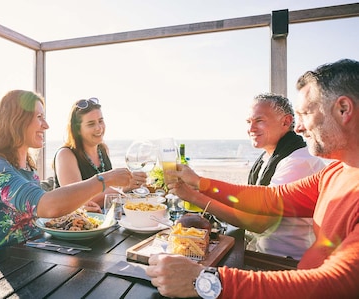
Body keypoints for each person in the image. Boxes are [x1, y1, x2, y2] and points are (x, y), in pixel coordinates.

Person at [146, 59, 359, 298]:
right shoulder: (335, 172)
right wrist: (199, 182)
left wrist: (206, 281)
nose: (298, 128)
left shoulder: (308, 163)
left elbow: (335, 284)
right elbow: (270, 197)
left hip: (288, 271)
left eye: (306, 113)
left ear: (343, 109)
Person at [0, 90, 131, 261]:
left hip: (31, 258)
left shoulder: (28, 170)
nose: (46, 125)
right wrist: (105, 179)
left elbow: (37, 215)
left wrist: (75, 210)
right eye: (39, 117)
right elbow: (46, 205)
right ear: (16, 121)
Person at [244, 93, 325, 260]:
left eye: (259, 121)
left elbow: (259, 222)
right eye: (249, 122)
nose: (251, 129)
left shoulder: (299, 161)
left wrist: (199, 194)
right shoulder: (268, 157)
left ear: (286, 122)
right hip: (261, 254)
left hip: (287, 264)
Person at [53, 97, 146, 211]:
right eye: (91, 124)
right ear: (77, 129)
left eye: (100, 121)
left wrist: (131, 181)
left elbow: (108, 191)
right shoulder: (65, 155)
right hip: (75, 225)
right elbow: (76, 200)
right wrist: (124, 187)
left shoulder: (102, 150)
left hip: (103, 220)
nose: (99, 128)